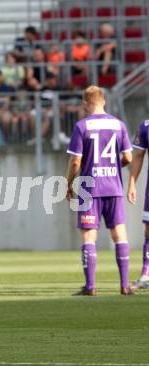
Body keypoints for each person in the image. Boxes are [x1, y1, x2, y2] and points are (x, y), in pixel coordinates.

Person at [66, 85, 133, 296]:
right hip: (113, 186)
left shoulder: (81, 126)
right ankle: (124, 285)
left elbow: (76, 162)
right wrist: (112, 166)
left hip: (89, 187)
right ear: (103, 101)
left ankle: (91, 286)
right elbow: (128, 158)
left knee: (88, 236)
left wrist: (68, 183)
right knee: (119, 233)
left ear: (86, 103)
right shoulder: (119, 125)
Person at [127, 119, 149, 289]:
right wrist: (132, 182)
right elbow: (138, 156)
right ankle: (146, 275)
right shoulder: (145, 126)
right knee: (148, 229)